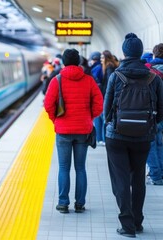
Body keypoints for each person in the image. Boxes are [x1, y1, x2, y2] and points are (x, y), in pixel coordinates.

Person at [104, 33, 163, 237]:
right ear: (140, 53)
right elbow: (161, 111)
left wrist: (109, 125)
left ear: (125, 52)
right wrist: (149, 126)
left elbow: (106, 109)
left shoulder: (116, 76)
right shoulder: (153, 78)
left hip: (117, 136)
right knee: (137, 177)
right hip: (143, 137)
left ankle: (127, 224)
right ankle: (137, 222)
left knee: (120, 180)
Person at [44, 48, 103, 214]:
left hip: (63, 131)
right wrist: (89, 118)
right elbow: (99, 103)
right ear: (78, 62)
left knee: (63, 168)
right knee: (80, 168)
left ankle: (63, 203)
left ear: (63, 62)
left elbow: (48, 104)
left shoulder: (57, 80)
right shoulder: (89, 80)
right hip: (83, 131)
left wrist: (56, 120)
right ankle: (80, 204)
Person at [145, 43, 163, 185]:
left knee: (151, 144)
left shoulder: (148, 70)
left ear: (154, 55)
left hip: (152, 112)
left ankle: (156, 175)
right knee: (160, 144)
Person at [89, 51, 105, 146]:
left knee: (98, 118)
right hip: (103, 95)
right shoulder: (104, 67)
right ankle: (102, 138)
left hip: (99, 96)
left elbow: (93, 81)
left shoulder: (96, 68)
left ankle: (100, 138)